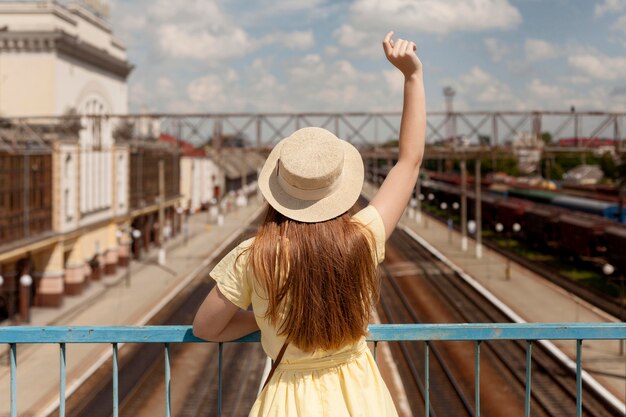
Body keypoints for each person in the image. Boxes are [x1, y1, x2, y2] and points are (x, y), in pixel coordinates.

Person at [192, 31, 425, 417]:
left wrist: (265, 320)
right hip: (361, 398)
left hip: (287, 403)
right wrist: (412, 77)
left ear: (279, 189)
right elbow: (410, 161)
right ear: (340, 187)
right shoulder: (363, 238)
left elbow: (205, 328)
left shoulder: (254, 256)